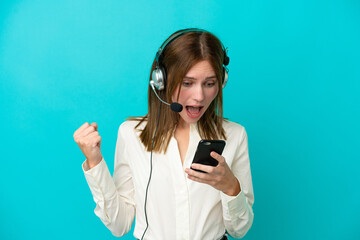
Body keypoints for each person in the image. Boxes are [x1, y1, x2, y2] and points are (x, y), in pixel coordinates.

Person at [73, 28, 254, 240]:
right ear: (162, 80)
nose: (199, 96)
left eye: (210, 83)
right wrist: (95, 162)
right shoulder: (132, 134)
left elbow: (239, 230)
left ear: (221, 82)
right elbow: (119, 225)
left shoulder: (234, 135)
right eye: (187, 83)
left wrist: (230, 186)